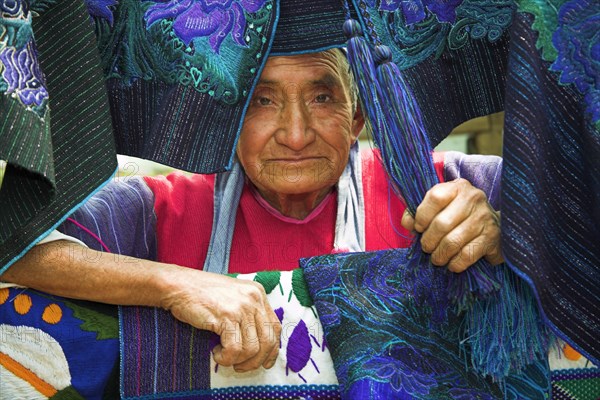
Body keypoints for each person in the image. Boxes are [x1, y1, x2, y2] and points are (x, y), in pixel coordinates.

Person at [0, 49, 503, 374]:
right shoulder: (169, 206)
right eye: (263, 101)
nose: (296, 133)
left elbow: (577, 226)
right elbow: (16, 248)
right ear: (230, 121)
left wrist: (503, 234)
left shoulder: (437, 190)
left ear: (356, 118)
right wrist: (177, 284)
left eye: (322, 96)